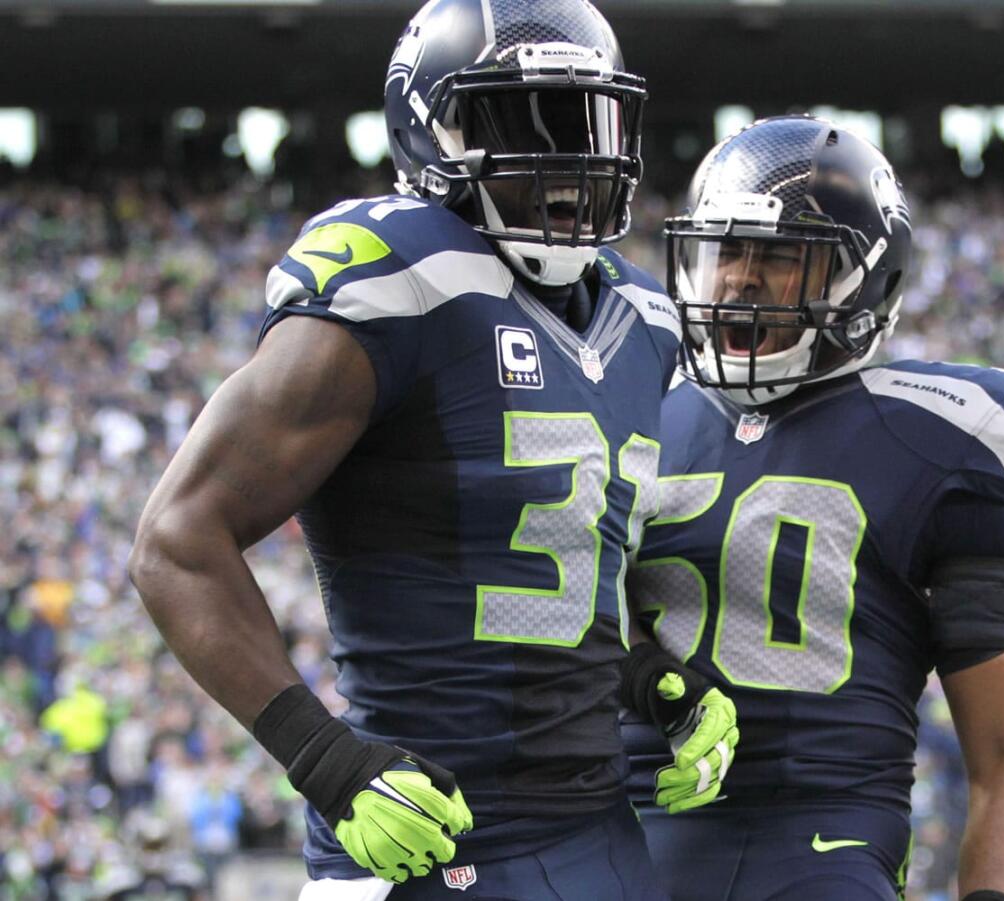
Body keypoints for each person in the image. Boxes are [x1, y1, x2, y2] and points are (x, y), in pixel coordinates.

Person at [129, 1, 733, 897]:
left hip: (600, 835)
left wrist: (650, 675)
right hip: (423, 836)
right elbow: (176, 541)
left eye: (584, 121)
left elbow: (568, 567)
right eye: (522, 121)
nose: (566, 157)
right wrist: (325, 759)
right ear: (432, 133)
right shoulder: (398, 274)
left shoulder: (642, 317)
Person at [622, 115, 1004, 901]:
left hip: (821, 844)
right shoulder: (629, 400)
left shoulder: (944, 434)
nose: (738, 280)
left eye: (780, 257)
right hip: (617, 837)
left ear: (866, 282)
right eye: (725, 251)